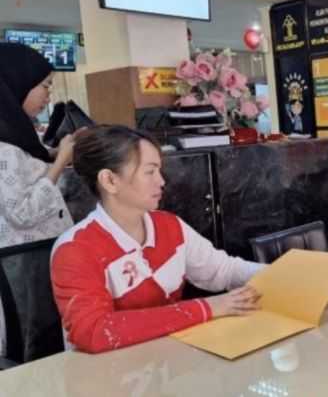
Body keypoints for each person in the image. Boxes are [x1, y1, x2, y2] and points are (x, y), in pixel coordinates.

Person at [50, 125, 265, 353]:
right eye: (150, 172)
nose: (161, 181)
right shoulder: (75, 249)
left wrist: (285, 271)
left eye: (159, 171)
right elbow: (94, 331)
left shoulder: (169, 225)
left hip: (165, 359)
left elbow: (223, 271)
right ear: (110, 180)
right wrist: (207, 308)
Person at [0, 44, 75, 248]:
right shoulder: (4, 150)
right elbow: (22, 215)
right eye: (46, 85)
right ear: (19, 83)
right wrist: (60, 163)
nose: (48, 96)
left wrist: (56, 153)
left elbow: (25, 163)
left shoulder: (15, 137)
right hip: (26, 262)